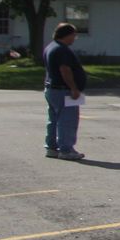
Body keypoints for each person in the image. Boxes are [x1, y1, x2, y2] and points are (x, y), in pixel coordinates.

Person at [42, 22, 88, 160]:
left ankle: (52, 147)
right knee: (68, 120)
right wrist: (73, 88)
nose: (74, 38)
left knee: (54, 119)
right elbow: (65, 69)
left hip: (52, 88)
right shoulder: (62, 50)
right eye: (74, 35)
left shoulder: (50, 47)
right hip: (64, 90)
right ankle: (66, 150)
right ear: (67, 35)